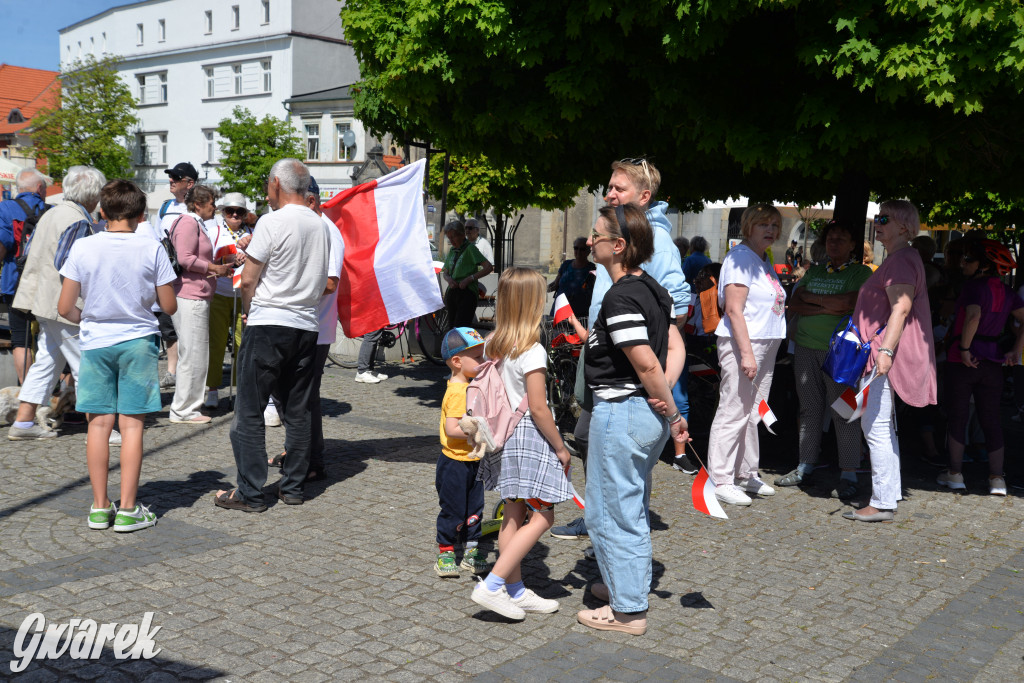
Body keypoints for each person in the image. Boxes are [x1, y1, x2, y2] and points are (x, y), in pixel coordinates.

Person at [551, 157, 689, 541]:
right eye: (609, 186)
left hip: (627, 371)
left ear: (644, 196)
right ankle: (601, 517)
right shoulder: (611, 235)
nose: (610, 192)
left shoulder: (657, 241)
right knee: (587, 437)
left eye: (619, 188)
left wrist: (657, 379)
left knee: (618, 454)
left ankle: (614, 526)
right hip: (604, 352)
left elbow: (676, 308)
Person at [576, 204, 688, 636]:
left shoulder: (620, 294)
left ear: (619, 246)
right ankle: (621, 586)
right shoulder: (654, 288)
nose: (590, 241)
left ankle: (627, 611)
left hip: (621, 414)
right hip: (641, 413)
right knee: (629, 507)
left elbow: (645, 364)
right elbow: (673, 351)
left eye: (597, 235)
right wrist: (660, 398)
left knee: (612, 514)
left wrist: (668, 404)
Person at [56, 179, 177, 532]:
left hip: (96, 342)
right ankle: (127, 509)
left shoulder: (83, 247)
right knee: (132, 426)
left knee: (98, 425)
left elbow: (65, 307)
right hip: (138, 341)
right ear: (141, 215)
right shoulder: (151, 247)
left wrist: (91, 319)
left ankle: (98, 507)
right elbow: (168, 304)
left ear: (102, 212)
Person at [214, 158, 330, 512]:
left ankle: (250, 493)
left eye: (267, 184)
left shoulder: (272, 221)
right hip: (307, 325)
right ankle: (293, 487)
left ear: (277, 184)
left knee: (249, 410)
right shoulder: (321, 225)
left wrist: (249, 309)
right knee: (298, 410)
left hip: (269, 322)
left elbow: (248, 278)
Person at [472, 267, 572, 620]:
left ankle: (515, 590)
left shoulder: (492, 344)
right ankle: (492, 584)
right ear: (532, 303)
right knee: (544, 515)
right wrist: (561, 448)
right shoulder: (531, 350)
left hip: (502, 437)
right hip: (528, 437)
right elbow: (540, 407)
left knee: (513, 512)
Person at [844, 200, 937, 522]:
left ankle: (882, 502)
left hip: (883, 354)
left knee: (876, 426)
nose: (877, 222)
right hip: (884, 352)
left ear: (903, 225)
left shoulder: (901, 260)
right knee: (883, 425)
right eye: (877, 216)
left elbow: (900, 307)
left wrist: (885, 352)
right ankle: (888, 494)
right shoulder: (901, 258)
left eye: (884, 218)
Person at [7, 166, 106, 441]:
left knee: (47, 363)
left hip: (42, 299)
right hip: (63, 304)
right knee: (86, 363)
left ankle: (24, 423)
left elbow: (28, 253)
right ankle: (100, 429)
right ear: (93, 194)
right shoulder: (77, 220)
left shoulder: (52, 213)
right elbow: (68, 266)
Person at [776, 219, 873, 495]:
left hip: (840, 354)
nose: (835, 242)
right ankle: (805, 465)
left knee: (844, 411)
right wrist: (828, 306)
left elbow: (850, 303)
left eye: (841, 238)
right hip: (805, 348)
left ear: (853, 245)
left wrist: (814, 303)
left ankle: (850, 473)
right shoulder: (816, 271)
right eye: (831, 238)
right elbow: (795, 302)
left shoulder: (860, 273)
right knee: (809, 408)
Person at [707, 204, 787, 507]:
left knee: (753, 410)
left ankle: (745, 472)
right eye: (764, 224)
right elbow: (733, 309)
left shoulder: (761, 259)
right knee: (734, 409)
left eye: (775, 225)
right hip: (745, 343)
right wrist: (746, 354)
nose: (771, 230)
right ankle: (721, 477)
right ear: (749, 226)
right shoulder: (740, 258)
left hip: (765, 343)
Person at [269, 177, 343, 482]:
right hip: (302, 324)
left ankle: (312, 460)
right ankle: (299, 451)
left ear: (310, 201)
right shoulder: (312, 226)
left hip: (314, 327)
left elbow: (329, 282)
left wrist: (285, 294)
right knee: (293, 395)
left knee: (300, 397)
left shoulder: (325, 230)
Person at [937, 240, 1023, 496]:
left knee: (958, 416)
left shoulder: (973, 287)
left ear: (984, 265)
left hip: (963, 359)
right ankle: (997, 479)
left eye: (968, 259)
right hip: (993, 361)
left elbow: (973, 316)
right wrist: (1016, 350)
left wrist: (964, 349)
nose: (963, 263)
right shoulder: (1007, 292)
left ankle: (954, 473)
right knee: (991, 419)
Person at [167, 185, 232, 424]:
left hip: (195, 293)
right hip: (190, 295)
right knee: (193, 354)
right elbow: (185, 258)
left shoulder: (194, 223)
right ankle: (184, 409)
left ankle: (188, 406)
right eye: (212, 203)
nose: (215, 207)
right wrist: (214, 268)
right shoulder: (188, 223)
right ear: (198, 204)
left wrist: (222, 262)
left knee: (195, 353)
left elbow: (195, 257)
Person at [434, 327, 488, 578]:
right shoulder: (458, 391)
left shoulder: (469, 385)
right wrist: (478, 431)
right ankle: (445, 551)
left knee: (475, 507)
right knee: (453, 508)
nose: (483, 361)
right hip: (454, 462)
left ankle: (471, 550)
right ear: (457, 361)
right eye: (477, 358)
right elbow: (452, 428)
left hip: (472, 458)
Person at [0, 168, 48, 384]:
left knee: (20, 339)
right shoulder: (51, 210)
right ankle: (55, 392)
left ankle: (28, 394)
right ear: (39, 188)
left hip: (15, 281)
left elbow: (2, 246)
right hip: (47, 283)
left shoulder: (5, 209)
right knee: (49, 338)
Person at [155, 162, 198, 389]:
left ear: (189, 183)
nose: (170, 180)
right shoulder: (164, 208)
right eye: (170, 177)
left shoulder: (197, 209)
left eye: (176, 177)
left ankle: (189, 371)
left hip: (190, 277)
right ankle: (172, 371)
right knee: (168, 325)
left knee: (190, 327)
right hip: (167, 275)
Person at [204, 192, 248, 408]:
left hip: (244, 296)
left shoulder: (252, 233)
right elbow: (206, 260)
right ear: (223, 212)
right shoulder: (214, 232)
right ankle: (212, 389)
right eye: (230, 211)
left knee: (243, 345)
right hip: (220, 294)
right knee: (217, 344)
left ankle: (240, 390)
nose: (234, 215)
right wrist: (227, 259)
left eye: (239, 211)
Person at [440, 221, 493, 328]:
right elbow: (445, 272)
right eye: (449, 237)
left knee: (460, 329)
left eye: (453, 237)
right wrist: (449, 280)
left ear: (462, 234)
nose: (451, 240)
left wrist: (469, 279)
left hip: (467, 293)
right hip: (453, 292)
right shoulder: (452, 250)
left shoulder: (470, 248)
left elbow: (488, 267)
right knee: (452, 329)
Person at [547, 236, 596, 319]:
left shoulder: (592, 269)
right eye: (576, 248)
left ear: (588, 252)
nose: (578, 251)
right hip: (559, 311)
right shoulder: (566, 265)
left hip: (578, 315)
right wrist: (540, 290)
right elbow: (555, 285)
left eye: (582, 249)